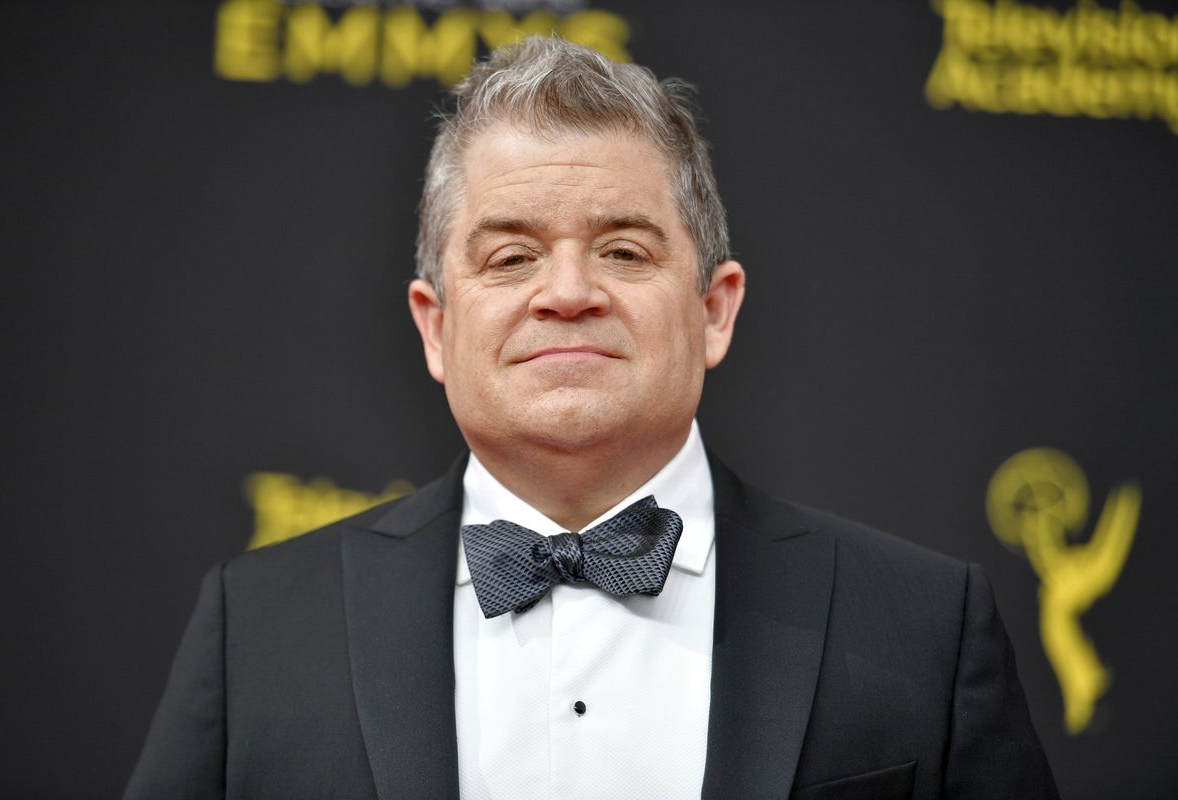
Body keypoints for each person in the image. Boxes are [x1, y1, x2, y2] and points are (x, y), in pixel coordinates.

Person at [126, 37, 1058, 800]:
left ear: (713, 309)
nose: (567, 293)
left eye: (621, 249)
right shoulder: (253, 631)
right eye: (509, 259)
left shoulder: (925, 628)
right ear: (436, 325)